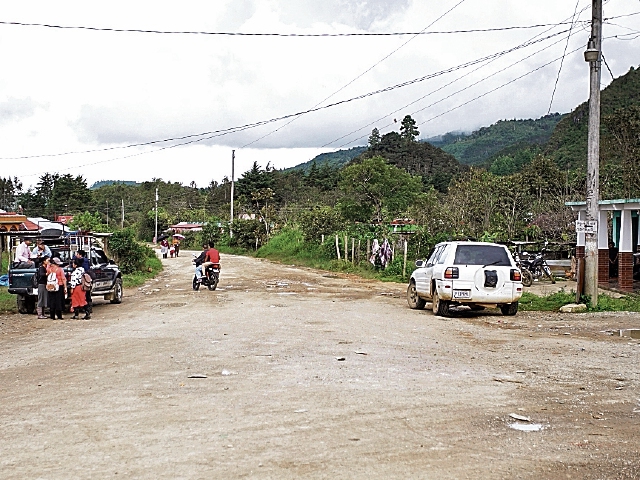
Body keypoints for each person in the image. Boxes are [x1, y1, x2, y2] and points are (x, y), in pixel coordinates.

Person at [75, 250, 93, 317]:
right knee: (86, 295)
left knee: (86, 295)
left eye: (76, 254)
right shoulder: (85, 260)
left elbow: (84, 269)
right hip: (86, 280)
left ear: (80, 255)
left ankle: (88, 309)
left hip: (84, 281)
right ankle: (87, 309)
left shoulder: (83, 261)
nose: (75, 255)